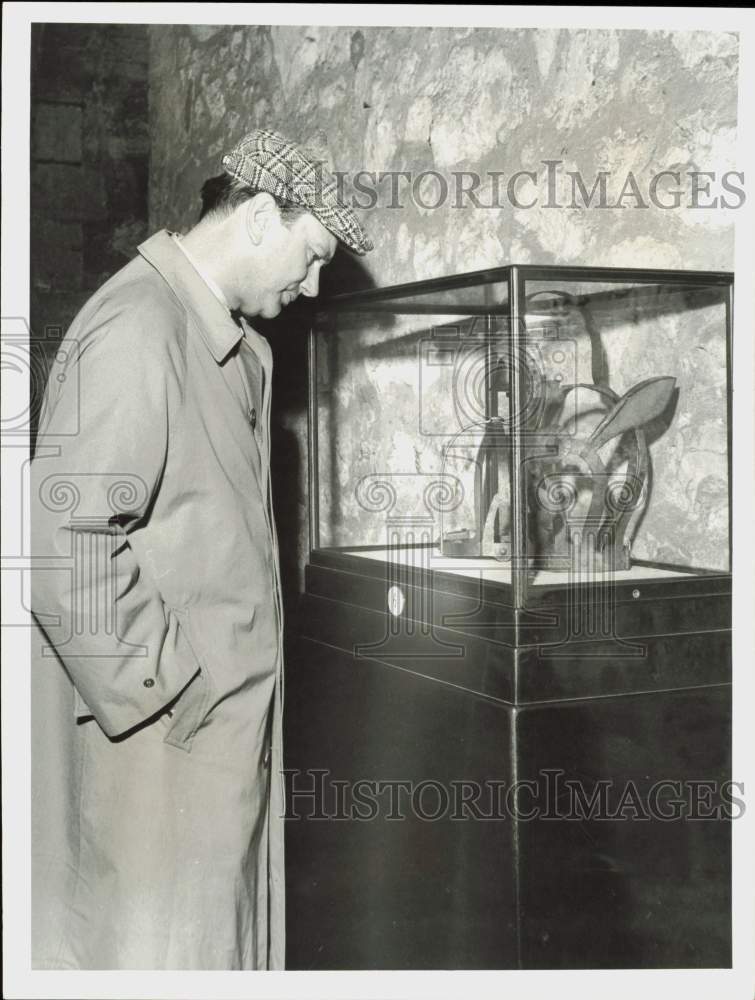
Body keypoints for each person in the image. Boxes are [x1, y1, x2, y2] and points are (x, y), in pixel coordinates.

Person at [29, 128, 373, 970]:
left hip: (211, 737)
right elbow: (57, 544)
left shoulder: (229, 338)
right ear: (260, 217)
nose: (313, 282)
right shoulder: (140, 325)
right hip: (163, 746)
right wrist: (179, 685)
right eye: (312, 254)